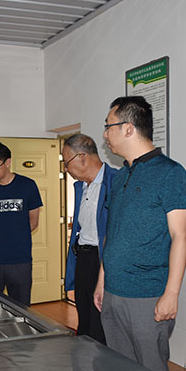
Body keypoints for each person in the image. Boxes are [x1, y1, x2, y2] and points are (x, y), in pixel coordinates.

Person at [94, 96, 186, 371]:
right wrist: (102, 279)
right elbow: (113, 232)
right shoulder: (121, 175)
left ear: (128, 128)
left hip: (147, 294)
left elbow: (181, 236)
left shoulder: (170, 173)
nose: (105, 134)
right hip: (113, 292)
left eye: (108, 126)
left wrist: (171, 294)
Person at [0, 141, 43, 306]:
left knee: (20, 308)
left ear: (8, 162)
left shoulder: (28, 186)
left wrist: (13, 238)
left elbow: (33, 222)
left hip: (19, 260)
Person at [63, 134, 115, 344]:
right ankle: (84, 359)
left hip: (103, 261)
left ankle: (102, 362)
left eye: (67, 162)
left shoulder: (115, 181)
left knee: (100, 321)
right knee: (84, 318)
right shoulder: (80, 186)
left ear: (82, 157)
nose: (65, 168)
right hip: (83, 259)